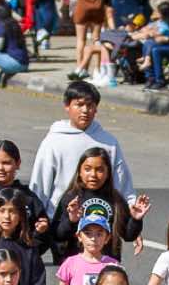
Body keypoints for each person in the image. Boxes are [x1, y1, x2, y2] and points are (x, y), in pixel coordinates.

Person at [31, 79, 138, 210]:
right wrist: (38, 214)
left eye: (90, 105)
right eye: (79, 105)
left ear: (96, 109)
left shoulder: (109, 142)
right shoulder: (53, 142)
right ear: (67, 106)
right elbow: (40, 183)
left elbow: (122, 183)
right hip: (61, 216)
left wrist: (131, 207)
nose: (85, 110)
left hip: (101, 216)